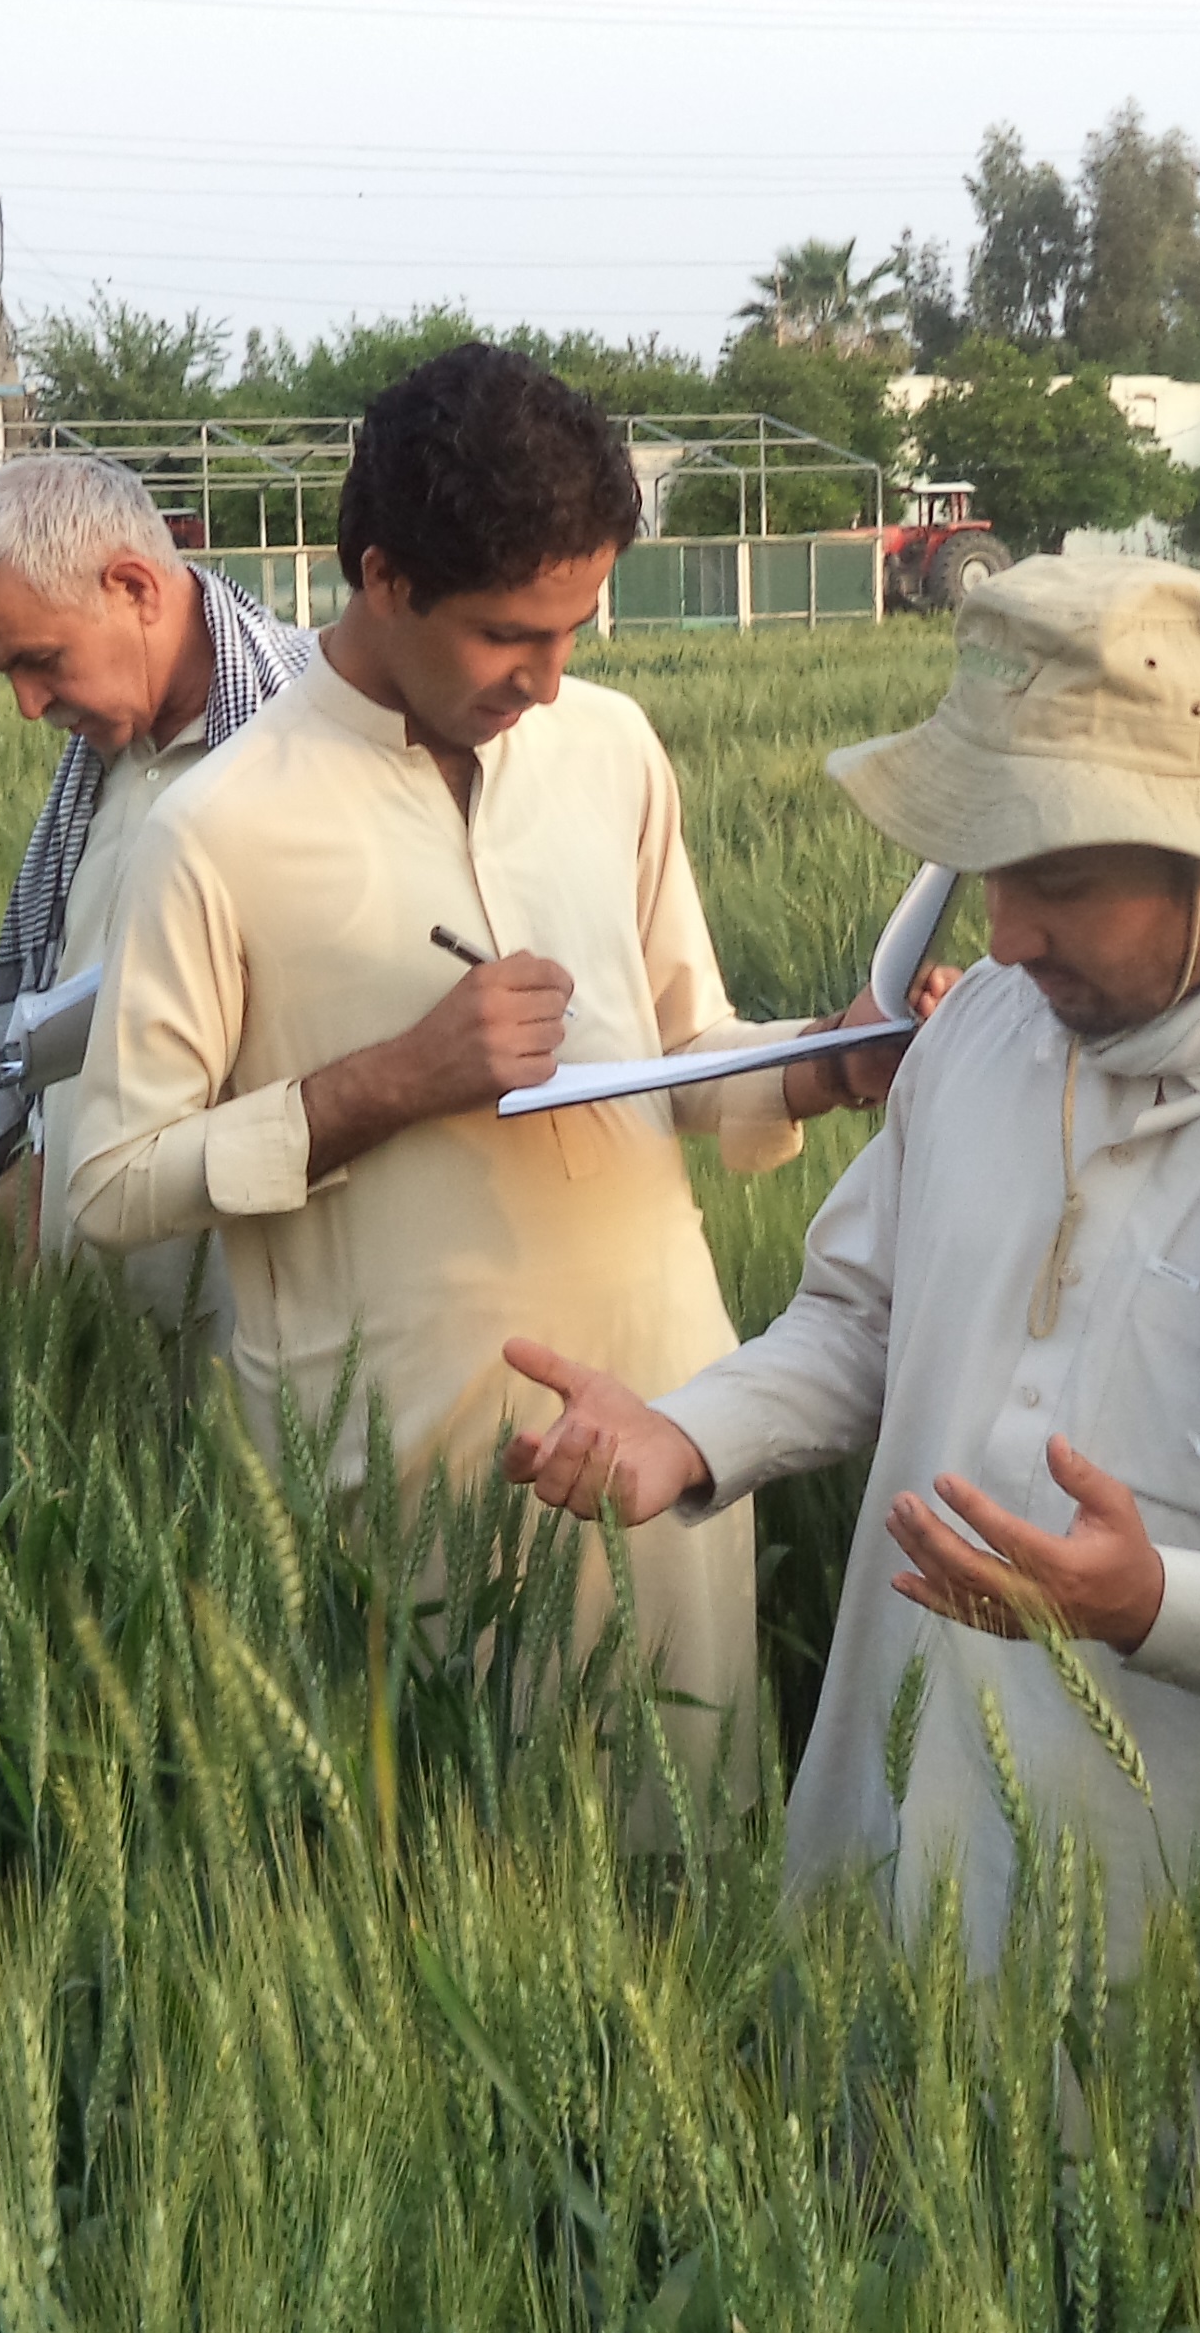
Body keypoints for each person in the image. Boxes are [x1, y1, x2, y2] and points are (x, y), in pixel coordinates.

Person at [497, 557, 1200, 1947]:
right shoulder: (987, 1036)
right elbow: (863, 1320)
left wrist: (1163, 1606)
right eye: (989, 879)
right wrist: (690, 1436)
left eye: (1057, 881)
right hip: (903, 1830)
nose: (1006, 937)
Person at [59, 344, 880, 1794]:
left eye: (576, 629)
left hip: (665, 1409)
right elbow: (112, 1184)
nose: (551, 680)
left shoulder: (613, 749)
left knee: (688, 1838)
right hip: (396, 1468)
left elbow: (681, 1052)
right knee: (440, 1865)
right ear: (384, 577)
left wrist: (825, 1063)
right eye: (512, 635)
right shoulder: (220, 828)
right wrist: (391, 1080)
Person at [0, 453, 312, 1356]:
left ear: (133, 585)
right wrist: (14, 1202)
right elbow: (86, 1044)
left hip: (255, 1352)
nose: (28, 707)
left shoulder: (313, 738)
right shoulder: (104, 761)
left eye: (39, 661)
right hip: (93, 1340)